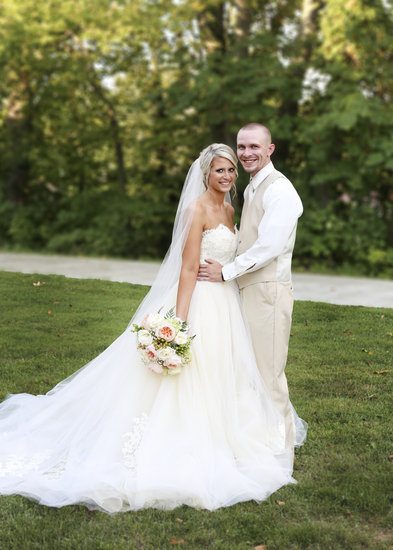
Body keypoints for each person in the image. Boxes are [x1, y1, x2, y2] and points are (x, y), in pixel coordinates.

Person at [0, 144, 296, 514]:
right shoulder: (197, 208)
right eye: (220, 170)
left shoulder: (230, 208)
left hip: (225, 302)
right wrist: (181, 324)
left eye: (231, 171)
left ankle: (224, 439)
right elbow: (188, 268)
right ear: (205, 173)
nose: (227, 177)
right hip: (198, 301)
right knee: (187, 377)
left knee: (222, 374)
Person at [198, 124, 307, 448]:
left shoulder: (280, 190)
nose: (246, 153)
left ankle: (281, 450)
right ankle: (258, 439)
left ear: (270, 149)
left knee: (269, 374)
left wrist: (227, 271)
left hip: (268, 293)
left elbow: (269, 246)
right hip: (247, 293)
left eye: (254, 147)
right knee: (250, 371)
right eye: (241, 146)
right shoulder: (251, 187)